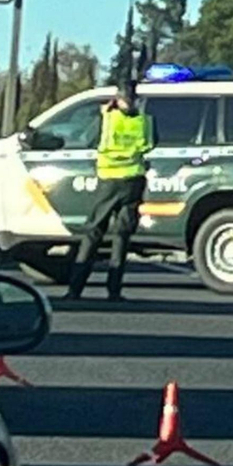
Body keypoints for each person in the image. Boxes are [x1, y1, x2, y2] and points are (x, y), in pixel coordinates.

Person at [64, 78, 155, 301]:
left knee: (94, 233)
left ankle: (75, 290)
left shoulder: (107, 119)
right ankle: (114, 290)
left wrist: (105, 112)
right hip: (132, 182)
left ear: (117, 99)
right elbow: (151, 144)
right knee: (122, 237)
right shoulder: (145, 121)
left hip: (108, 183)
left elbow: (88, 138)